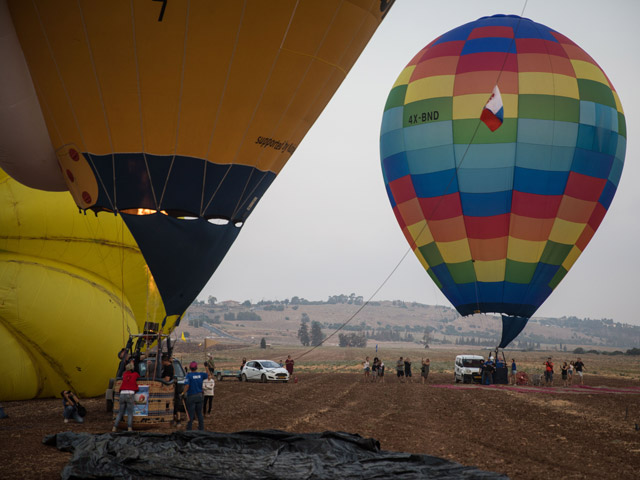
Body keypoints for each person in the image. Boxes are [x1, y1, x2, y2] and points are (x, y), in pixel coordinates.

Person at [112, 362, 139, 431]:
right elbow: (139, 376)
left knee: (120, 412)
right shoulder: (135, 374)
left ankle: (115, 427)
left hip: (122, 394)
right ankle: (129, 427)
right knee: (130, 412)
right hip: (130, 394)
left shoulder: (124, 375)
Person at [183, 361, 206, 431]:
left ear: (190, 368)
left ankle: (189, 428)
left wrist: (182, 393)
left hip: (191, 396)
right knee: (199, 413)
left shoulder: (189, 376)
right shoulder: (201, 374)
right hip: (200, 396)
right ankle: (201, 428)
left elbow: (187, 386)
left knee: (191, 413)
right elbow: (208, 375)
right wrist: (206, 367)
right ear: (196, 368)